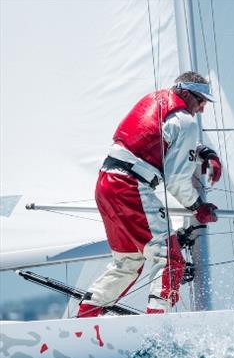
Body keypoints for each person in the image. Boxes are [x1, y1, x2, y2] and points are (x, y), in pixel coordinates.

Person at [77, 71, 223, 317]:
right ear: (187, 94)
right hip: (130, 187)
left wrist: (204, 151)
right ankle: (156, 327)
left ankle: (84, 320)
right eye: (201, 101)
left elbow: (164, 136)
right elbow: (177, 180)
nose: (201, 109)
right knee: (171, 260)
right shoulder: (185, 119)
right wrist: (198, 206)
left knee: (128, 262)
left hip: (106, 184)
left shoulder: (156, 100)